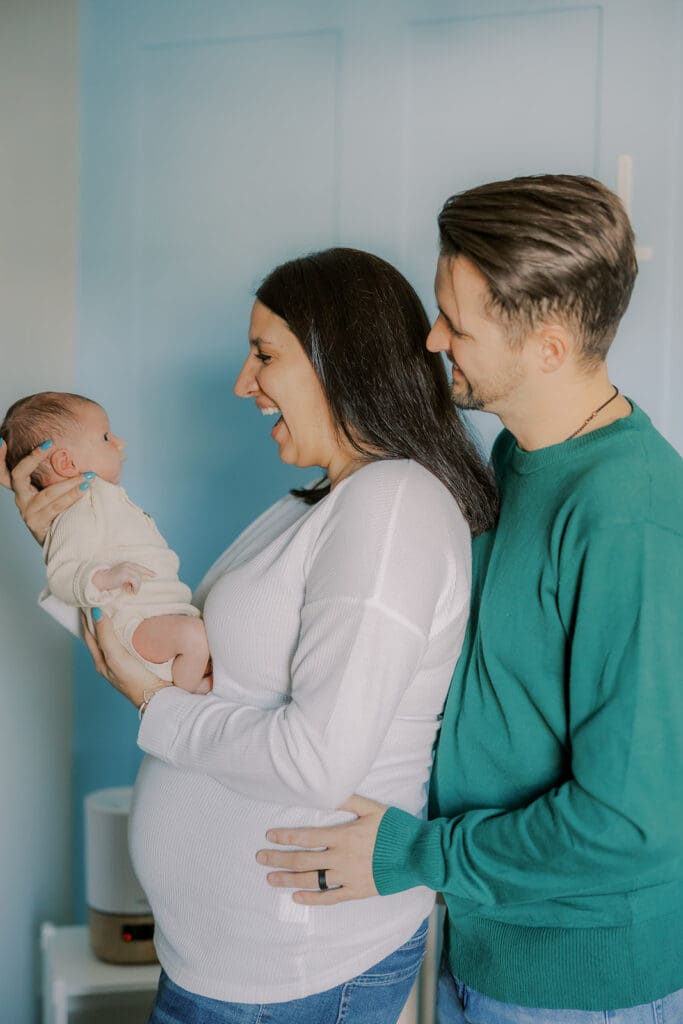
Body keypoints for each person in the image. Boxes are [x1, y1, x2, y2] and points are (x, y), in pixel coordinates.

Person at [1, 248, 498, 1023]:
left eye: (265, 354)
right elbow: (180, 664)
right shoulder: (315, 505)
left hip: (292, 971)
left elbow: (313, 759)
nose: (243, 382)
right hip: (233, 965)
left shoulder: (391, 505)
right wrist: (76, 550)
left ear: (344, 360)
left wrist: (151, 709)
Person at [253, 177, 683, 1022]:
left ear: (548, 347)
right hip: (488, 946)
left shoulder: (628, 518)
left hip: (582, 988)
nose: (431, 335)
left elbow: (630, 823)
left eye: (458, 321)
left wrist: (414, 853)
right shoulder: (522, 461)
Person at [1, 392, 211, 691]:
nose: (119, 443)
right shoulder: (80, 507)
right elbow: (63, 576)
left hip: (157, 614)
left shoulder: (100, 499)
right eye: (105, 437)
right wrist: (106, 577)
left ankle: (194, 684)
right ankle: (190, 695)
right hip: (133, 621)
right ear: (65, 461)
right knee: (192, 636)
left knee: (200, 635)